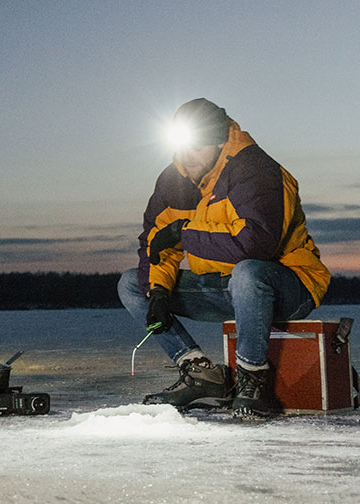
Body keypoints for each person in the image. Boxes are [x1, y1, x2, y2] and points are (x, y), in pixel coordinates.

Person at [118, 98, 331, 418]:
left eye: (197, 147)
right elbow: (156, 242)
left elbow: (255, 245)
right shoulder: (172, 181)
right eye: (182, 148)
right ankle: (201, 373)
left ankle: (252, 380)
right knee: (131, 285)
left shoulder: (255, 169)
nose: (187, 158)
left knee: (247, 273)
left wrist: (185, 233)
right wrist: (158, 291)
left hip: (286, 284)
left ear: (220, 140)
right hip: (226, 288)